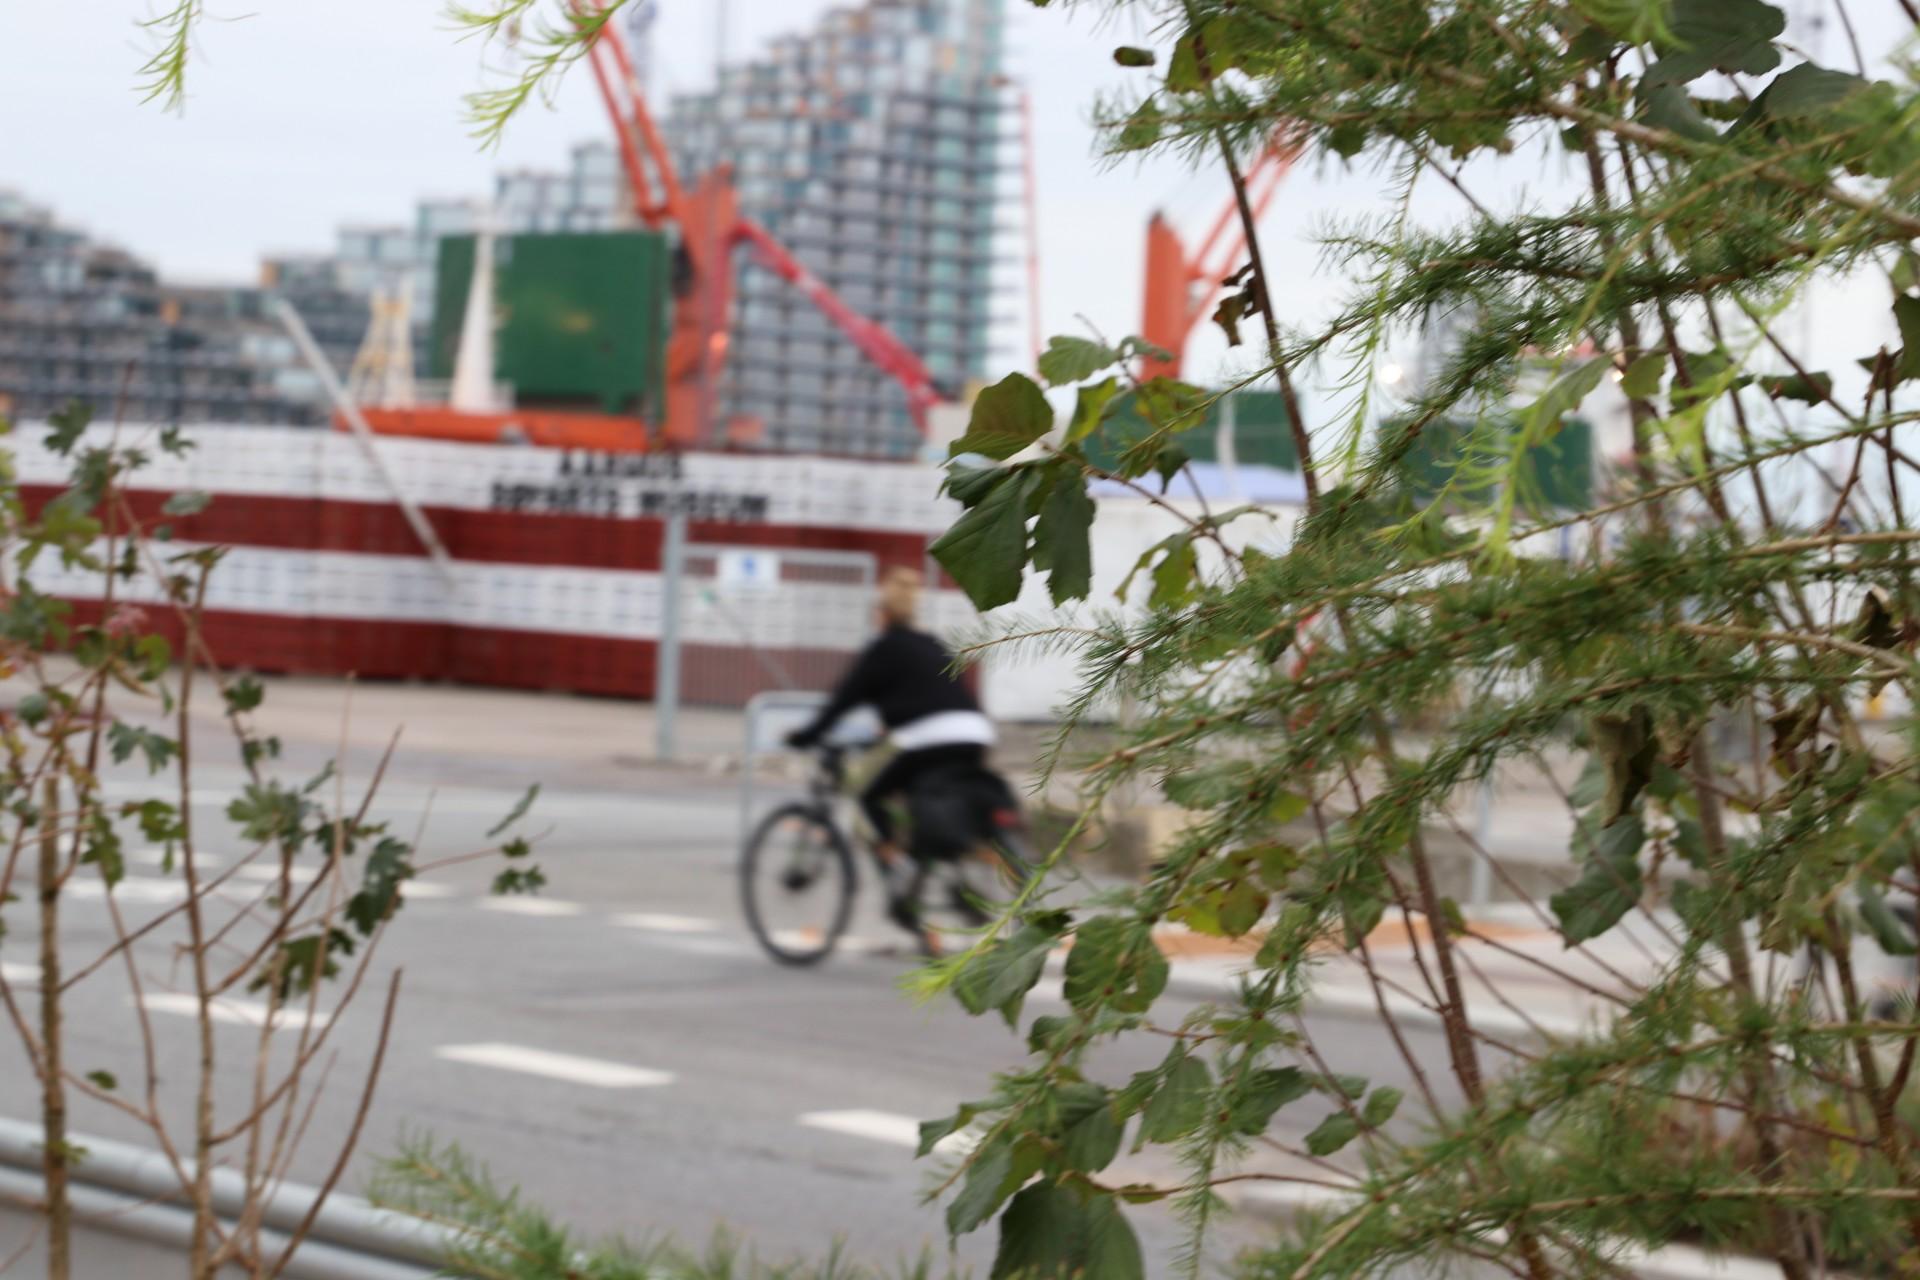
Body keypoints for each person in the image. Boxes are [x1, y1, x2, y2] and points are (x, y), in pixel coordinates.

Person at [785, 566, 994, 928]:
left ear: (881, 615)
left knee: (863, 790)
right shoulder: (931, 644)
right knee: (919, 795)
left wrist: (806, 735)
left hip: (925, 737)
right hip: (975, 732)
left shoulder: (883, 649)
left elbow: (842, 700)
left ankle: (903, 868)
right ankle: (929, 868)